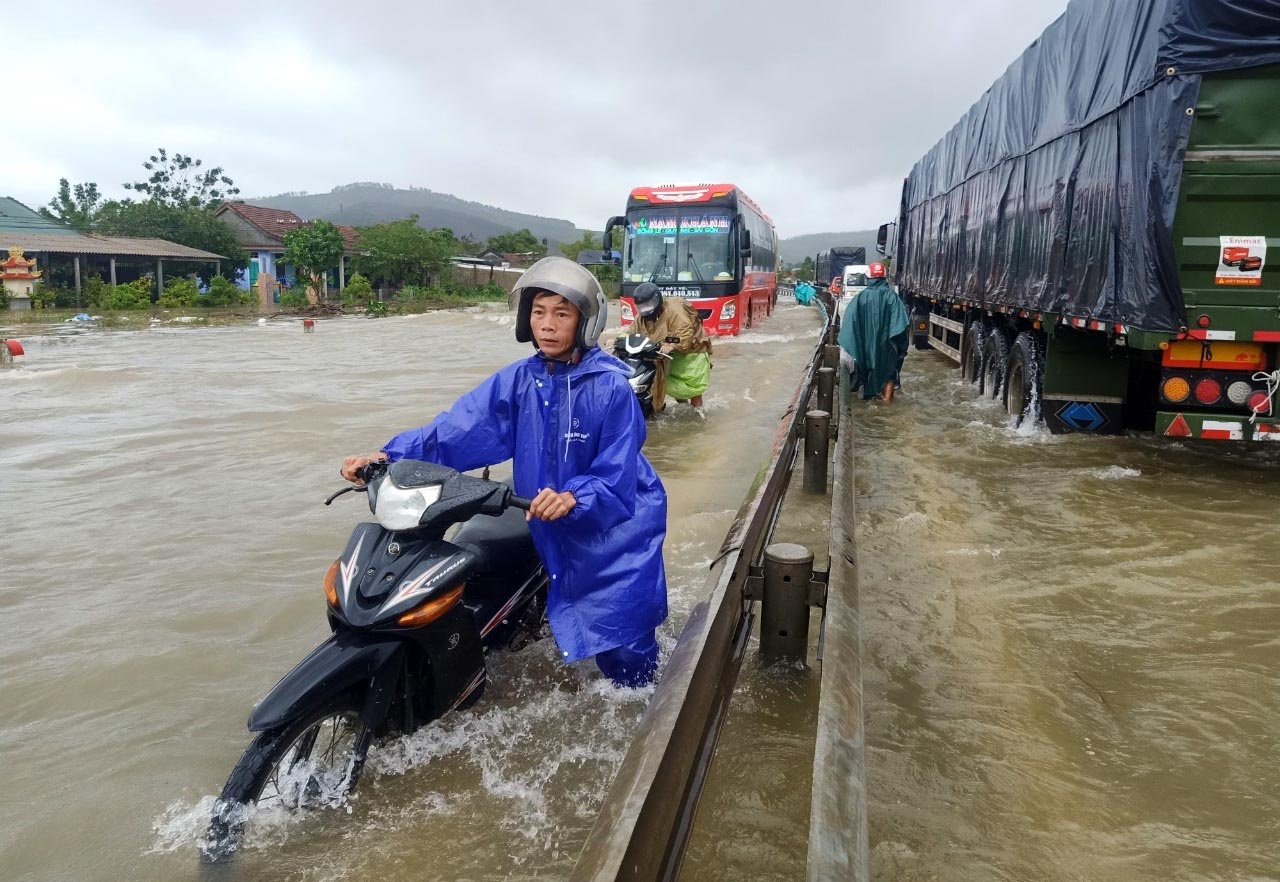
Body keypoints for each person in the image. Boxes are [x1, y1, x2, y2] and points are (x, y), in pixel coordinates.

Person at [341, 256, 668, 687]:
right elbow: (456, 429)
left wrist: (576, 496)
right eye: (538, 312)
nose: (547, 325)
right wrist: (387, 456)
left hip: (617, 528)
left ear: (585, 321)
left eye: (561, 313)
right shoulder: (519, 381)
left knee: (625, 645)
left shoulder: (610, 388)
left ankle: (648, 712)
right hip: (546, 515)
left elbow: (617, 470)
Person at [631, 281, 713, 411]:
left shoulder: (675, 308)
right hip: (667, 356)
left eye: (648, 305)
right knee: (672, 387)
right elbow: (633, 333)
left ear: (657, 300)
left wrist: (672, 346)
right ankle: (683, 410)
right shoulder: (641, 318)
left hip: (692, 354)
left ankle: (699, 415)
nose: (645, 310)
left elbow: (685, 332)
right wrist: (618, 340)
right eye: (642, 307)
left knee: (694, 391)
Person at [837, 261, 910, 403]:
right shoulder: (893, 298)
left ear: (868, 277)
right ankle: (887, 402)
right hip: (888, 345)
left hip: (864, 345)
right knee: (889, 371)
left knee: (866, 369)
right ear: (884, 277)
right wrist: (898, 345)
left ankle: (868, 399)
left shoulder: (859, 299)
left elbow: (849, 325)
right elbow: (901, 324)